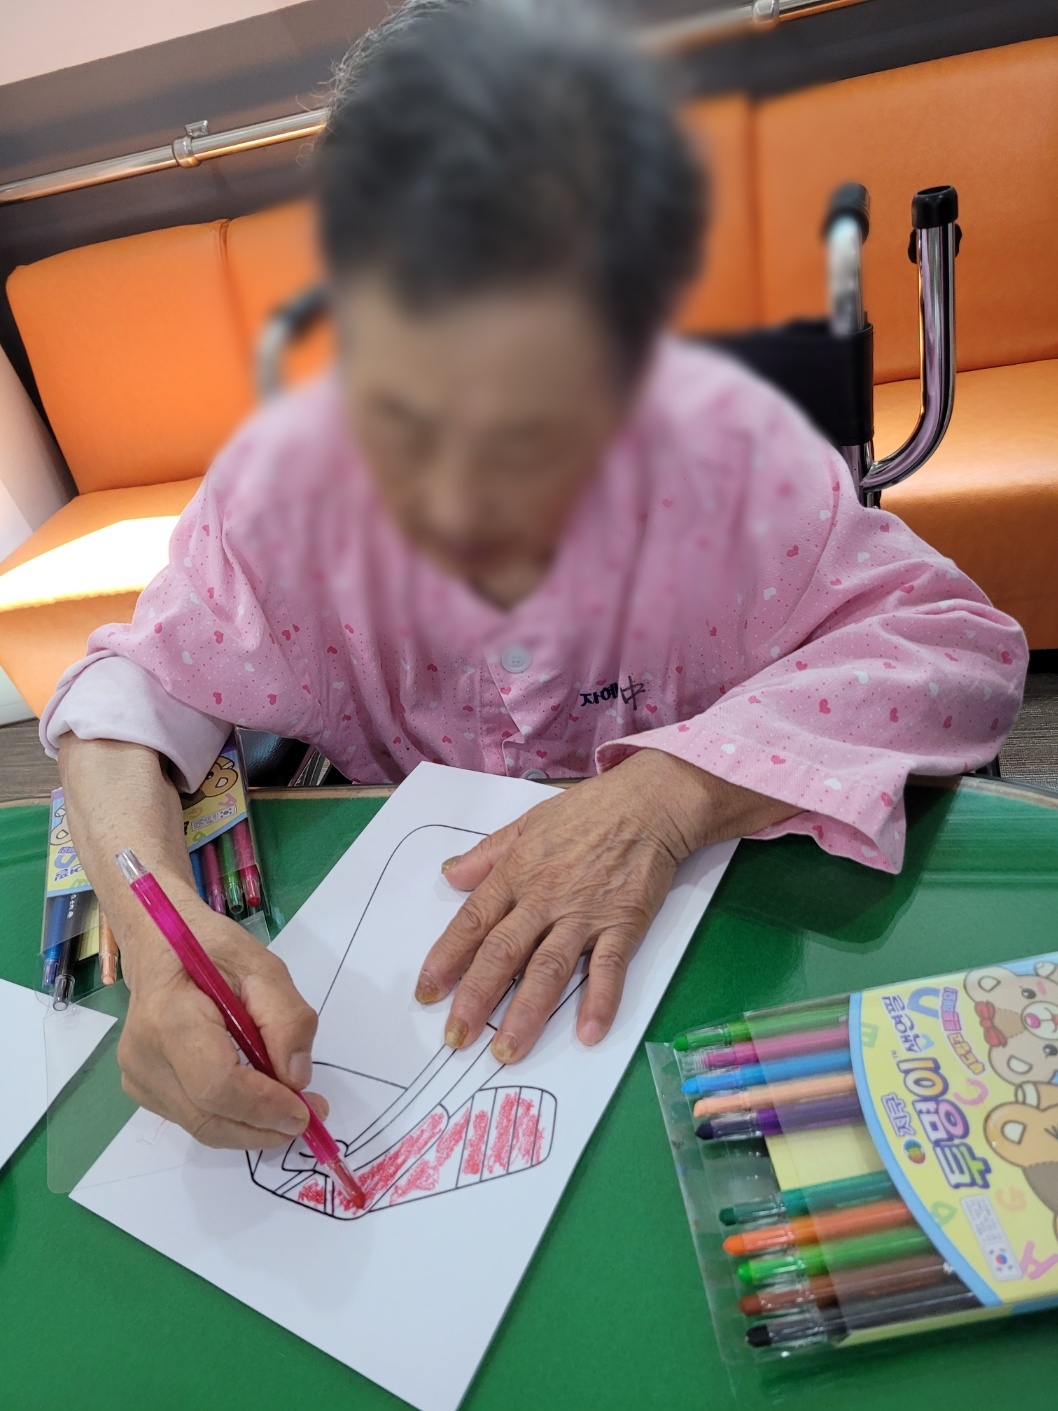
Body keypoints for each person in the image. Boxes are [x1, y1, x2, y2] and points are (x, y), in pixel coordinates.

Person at [47, 0, 1026, 1153]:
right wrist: (155, 934)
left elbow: (956, 647)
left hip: (706, 966)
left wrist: (667, 797)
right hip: (421, 996)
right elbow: (126, 699)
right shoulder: (290, 486)